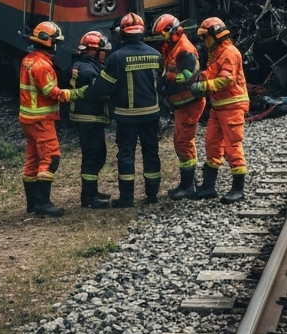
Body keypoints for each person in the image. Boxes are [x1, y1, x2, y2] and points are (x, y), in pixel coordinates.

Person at [86, 12, 162, 207]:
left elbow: (103, 87)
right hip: (151, 114)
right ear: (141, 32)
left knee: (126, 154)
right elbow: (161, 86)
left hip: (126, 116)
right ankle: (152, 195)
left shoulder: (116, 57)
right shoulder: (156, 55)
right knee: (151, 152)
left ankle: (127, 198)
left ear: (122, 34)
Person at [18, 21, 81, 217]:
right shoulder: (42, 65)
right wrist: (76, 94)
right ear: (49, 43)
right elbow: (51, 92)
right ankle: (42, 203)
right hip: (41, 119)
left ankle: (32, 204)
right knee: (51, 157)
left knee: (33, 159)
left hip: (28, 118)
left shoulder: (28, 60)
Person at [190, 17, 249, 203]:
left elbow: (226, 79)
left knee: (233, 147)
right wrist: (197, 77)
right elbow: (213, 72)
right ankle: (208, 187)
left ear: (214, 34)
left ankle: (238, 189)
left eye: (205, 36)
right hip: (218, 106)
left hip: (232, 106)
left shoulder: (229, 53)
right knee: (212, 144)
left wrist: (202, 86)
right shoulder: (217, 52)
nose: (203, 41)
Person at [151, 14, 204, 201]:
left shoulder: (184, 50)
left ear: (172, 31)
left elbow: (189, 76)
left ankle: (188, 186)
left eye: (163, 34)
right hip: (181, 104)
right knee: (179, 141)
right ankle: (185, 184)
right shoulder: (173, 47)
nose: (162, 39)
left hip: (189, 103)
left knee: (184, 142)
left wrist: (170, 79)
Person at [69, 30, 112, 209]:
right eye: (102, 51)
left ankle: (92, 192)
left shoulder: (81, 64)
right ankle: (89, 197)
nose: (105, 54)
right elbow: (98, 92)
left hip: (85, 117)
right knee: (93, 156)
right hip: (89, 118)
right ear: (93, 51)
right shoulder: (88, 70)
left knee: (95, 154)